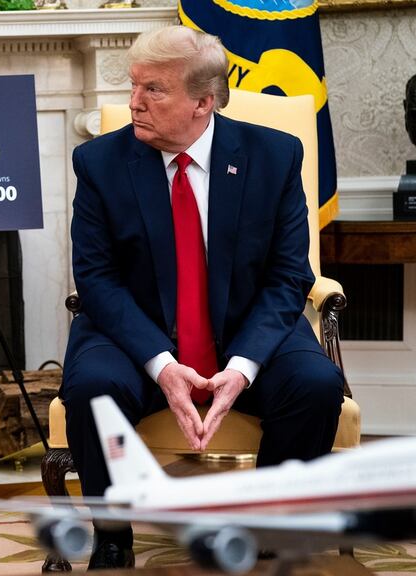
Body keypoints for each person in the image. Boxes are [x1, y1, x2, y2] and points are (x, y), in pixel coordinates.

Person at [60, 25, 344, 570]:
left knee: (315, 384)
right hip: (136, 330)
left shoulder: (274, 156)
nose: (133, 102)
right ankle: (114, 536)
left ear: (203, 103)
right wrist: (162, 365)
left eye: (153, 90)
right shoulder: (99, 163)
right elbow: (95, 278)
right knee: (94, 385)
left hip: (245, 326)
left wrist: (241, 367)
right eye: (135, 86)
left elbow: (288, 276)